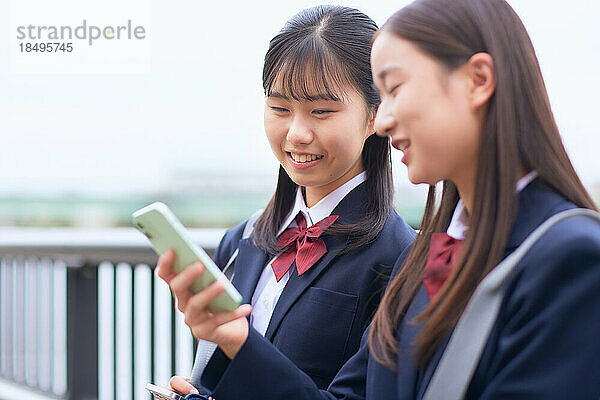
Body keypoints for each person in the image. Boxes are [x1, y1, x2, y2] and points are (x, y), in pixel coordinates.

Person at [159, 0, 600, 399]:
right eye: (279, 107)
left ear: (477, 80)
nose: (385, 121)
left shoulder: (571, 257)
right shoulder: (434, 256)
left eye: (394, 89)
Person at [156, 5, 416, 395]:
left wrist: (239, 344)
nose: (296, 133)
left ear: (374, 115)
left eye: (321, 111)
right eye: (279, 108)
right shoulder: (241, 241)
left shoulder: (401, 259)